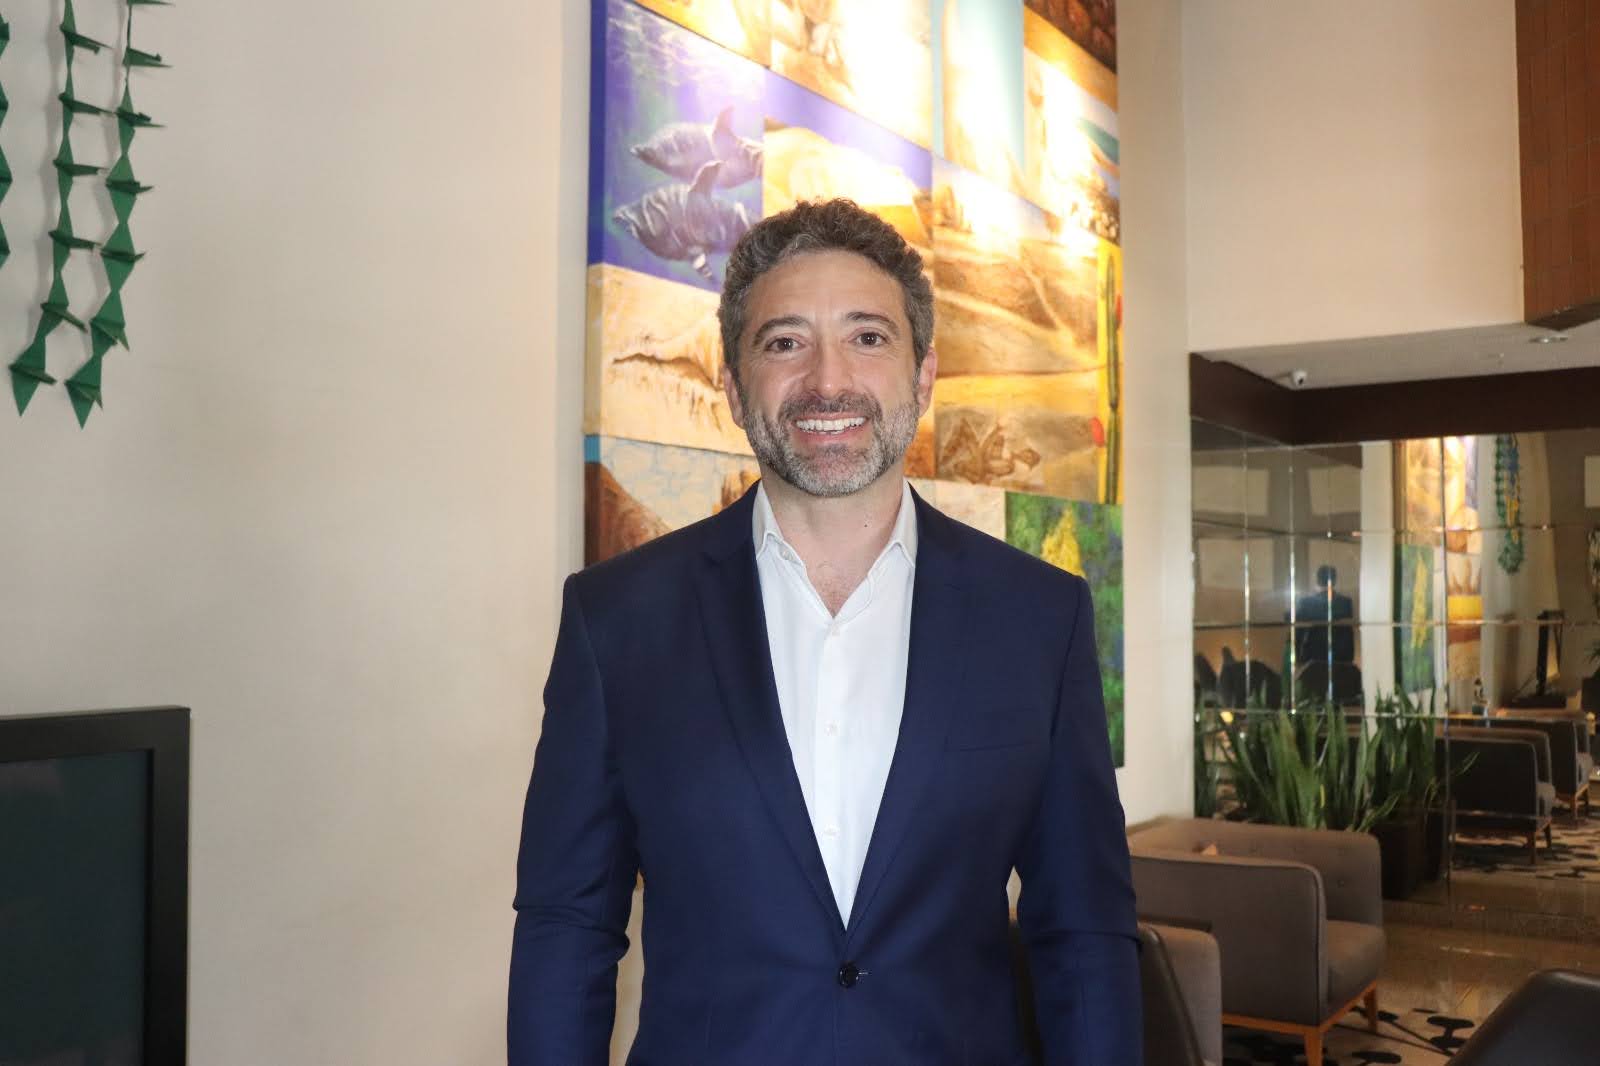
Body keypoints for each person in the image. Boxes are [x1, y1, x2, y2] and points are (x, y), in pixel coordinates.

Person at [508, 199, 1140, 1065]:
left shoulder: (1038, 617)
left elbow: (1085, 929)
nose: (828, 381)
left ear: (924, 377)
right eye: (784, 342)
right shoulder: (616, 618)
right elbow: (567, 924)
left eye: (868, 337)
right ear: (735, 387)